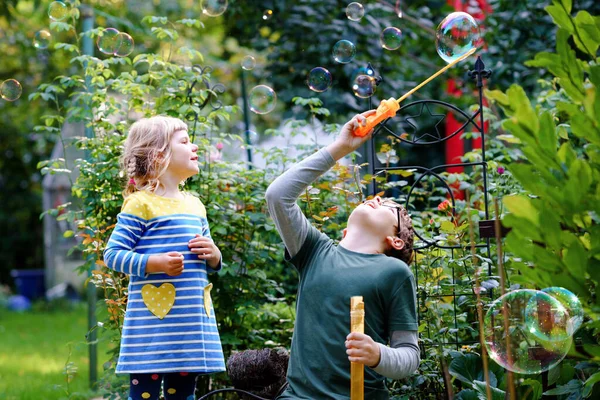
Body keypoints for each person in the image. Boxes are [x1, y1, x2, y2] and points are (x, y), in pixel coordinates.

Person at [265, 111, 420, 399]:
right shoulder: (314, 251)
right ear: (345, 232)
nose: (375, 198)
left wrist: (376, 354)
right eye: (375, 198)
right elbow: (278, 195)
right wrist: (341, 148)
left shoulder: (394, 273)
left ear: (395, 241)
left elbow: (409, 356)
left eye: (388, 206)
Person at [103, 116, 225, 400]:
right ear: (159, 156)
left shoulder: (195, 205)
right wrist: (153, 263)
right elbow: (113, 255)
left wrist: (214, 255)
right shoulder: (141, 203)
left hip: (189, 324)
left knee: (183, 394)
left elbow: (212, 257)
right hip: (152, 327)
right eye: (184, 141)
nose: (193, 146)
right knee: (144, 393)